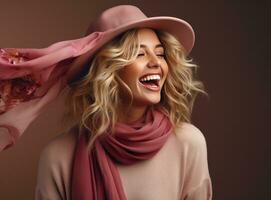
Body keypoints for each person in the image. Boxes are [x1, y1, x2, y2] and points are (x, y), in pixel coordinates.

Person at [0, 5, 212, 200]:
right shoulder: (59, 156)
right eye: (139, 54)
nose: (156, 63)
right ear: (106, 70)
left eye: (160, 53)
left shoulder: (188, 144)